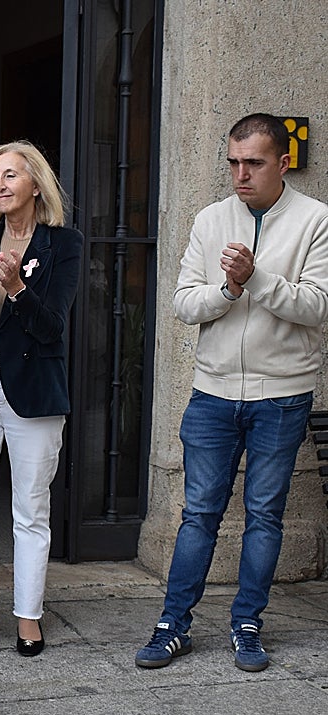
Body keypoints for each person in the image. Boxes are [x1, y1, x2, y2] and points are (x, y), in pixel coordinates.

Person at [135, 113, 328, 673]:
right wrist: (228, 288)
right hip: (213, 393)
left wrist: (258, 278)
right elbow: (183, 303)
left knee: (265, 515)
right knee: (199, 514)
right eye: (233, 163)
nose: (241, 175)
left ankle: (248, 624)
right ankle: (174, 624)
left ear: (282, 163)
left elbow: (317, 305)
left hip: (282, 395)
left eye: (254, 163)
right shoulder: (210, 220)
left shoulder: (314, 219)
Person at [0, 140, 83, 658]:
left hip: (35, 395)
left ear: (35, 184)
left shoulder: (62, 244)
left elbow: (52, 328)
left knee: (30, 509)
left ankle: (29, 617)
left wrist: (17, 291)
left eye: (10, 176)